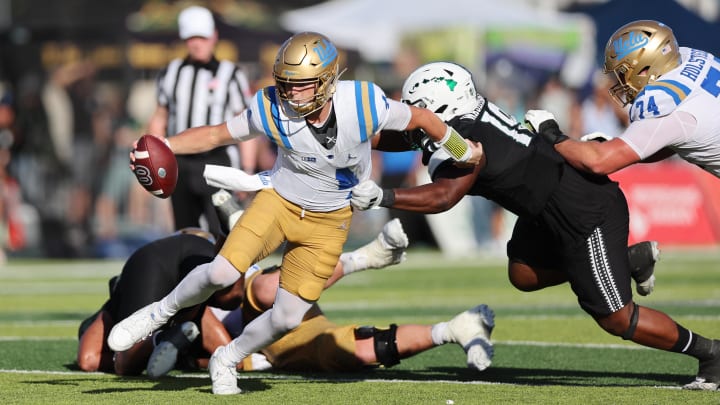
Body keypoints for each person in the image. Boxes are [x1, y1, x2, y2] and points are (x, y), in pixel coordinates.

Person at [108, 32, 480, 395]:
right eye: (286, 83)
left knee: (287, 317)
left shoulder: (365, 103)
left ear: (329, 79)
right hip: (279, 202)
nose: (292, 92)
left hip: (330, 219)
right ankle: (158, 313)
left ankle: (227, 358)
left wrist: (462, 150)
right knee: (223, 271)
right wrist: (165, 144)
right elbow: (217, 135)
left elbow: (422, 119)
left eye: (302, 84)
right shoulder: (269, 106)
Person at [349, 61, 719, 391]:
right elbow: (405, 135)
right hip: (543, 207)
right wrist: (350, 131)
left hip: (584, 210)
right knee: (524, 274)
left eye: (418, 110)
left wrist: (384, 196)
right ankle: (627, 260)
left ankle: (710, 352)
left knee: (616, 318)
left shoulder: (468, 137)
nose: (414, 118)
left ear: (438, 106)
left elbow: (445, 196)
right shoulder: (467, 118)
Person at [79, 210, 494, 377]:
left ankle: (364, 258)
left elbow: (221, 335)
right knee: (343, 354)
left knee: (262, 288)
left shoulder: (214, 273)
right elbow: (212, 347)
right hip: (256, 336)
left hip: (256, 304)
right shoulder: (181, 318)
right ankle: (449, 329)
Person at [524, 20, 720, 181]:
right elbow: (670, 139)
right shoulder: (688, 59)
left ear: (644, 69)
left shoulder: (666, 103)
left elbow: (598, 162)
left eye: (623, 73)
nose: (620, 82)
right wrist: (624, 144)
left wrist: (552, 135)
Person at [146, 6, 257, 238]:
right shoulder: (171, 73)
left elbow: (246, 124)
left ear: (213, 37)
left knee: (226, 231)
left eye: (202, 37)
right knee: (186, 233)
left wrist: (246, 171)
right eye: (191, 37)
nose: (197, 43)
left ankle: (228, 275)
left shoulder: (231, 74)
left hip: (220, 161)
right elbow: (160, 117)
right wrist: (153, 158)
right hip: (180, 163)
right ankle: (191, 273)